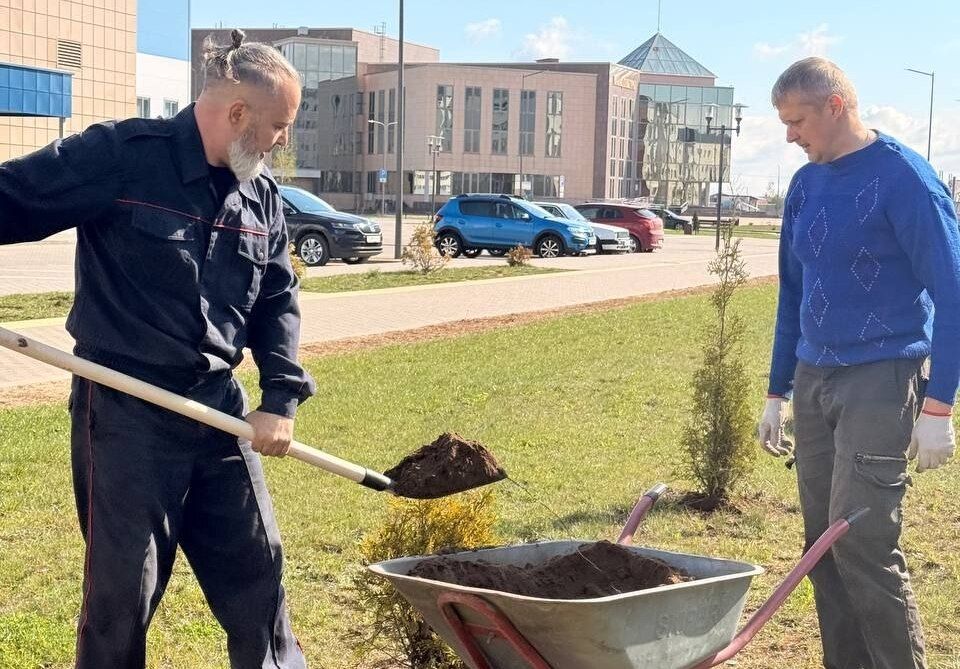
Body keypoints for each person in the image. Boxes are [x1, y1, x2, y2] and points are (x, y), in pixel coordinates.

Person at [0, 30, 316, 668]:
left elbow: (277, 299)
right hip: (124, 413)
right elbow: (10, 200)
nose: (283, 140)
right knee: (123, 599)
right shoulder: (121, 156)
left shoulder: (262, 199)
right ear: (236, 114)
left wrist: (280, 397)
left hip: (219, 413)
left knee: (260, 580)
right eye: (279, 125)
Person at [758, 57, 960, 669]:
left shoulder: (905, 179)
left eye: (797, 121)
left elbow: (952, 293)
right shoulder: (806, 184)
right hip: (815, 378)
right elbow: (792, 291)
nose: (790, 135)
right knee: (820, 549)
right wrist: (776, 392)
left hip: (882, 377)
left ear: (835, 107)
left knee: (864, 545)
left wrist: (939, 406)